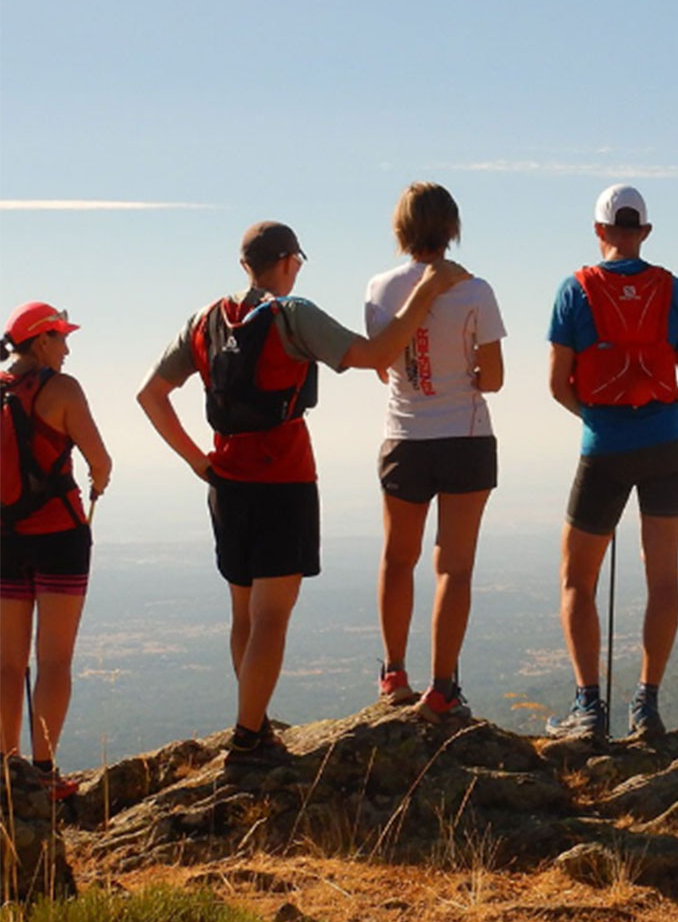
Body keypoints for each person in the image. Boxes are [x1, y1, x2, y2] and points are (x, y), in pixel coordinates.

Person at [137, 222, 467, 767]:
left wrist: (199, 462)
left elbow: (151, 394)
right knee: (272, 617)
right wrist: (428, 288)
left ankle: (253, 723)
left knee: (243, 612)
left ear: (246, 265)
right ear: (289, 262)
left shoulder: (203, 322)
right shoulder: (291, 316)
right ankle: (248, 740)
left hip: (227, 483)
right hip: (283, 479)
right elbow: (377, 350)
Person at [544, 184, 678, 741]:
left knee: (576, 578)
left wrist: (601, 421)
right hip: (668, 446)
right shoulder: (673, 290)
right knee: (662, 578)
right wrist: (659, 420)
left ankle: (589, 707)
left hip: (604, 450)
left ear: (599, 231)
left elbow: (557, 385)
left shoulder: (575, 291)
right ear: (645, 232)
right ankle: (647, 704)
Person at [365, 183, 504, 723]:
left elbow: (382, 364)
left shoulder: (379, 287)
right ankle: (442, 687)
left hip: (404, 435)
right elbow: (492, 378)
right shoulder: (476, 292)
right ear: (452, 228)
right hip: (465, 436)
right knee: (455, 567)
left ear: (401, 229)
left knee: (399, 557)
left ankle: (394, 674)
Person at [1, 302, 111, 798]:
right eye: (61, 338)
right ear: (41, 341)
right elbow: (100, 460)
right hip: (60, 538)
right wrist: (96, 485)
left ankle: (7, 770)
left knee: (6, 664)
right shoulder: (61, 389)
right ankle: (44, 774)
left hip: (4, 538)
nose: (66, 349)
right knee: (55, 661)